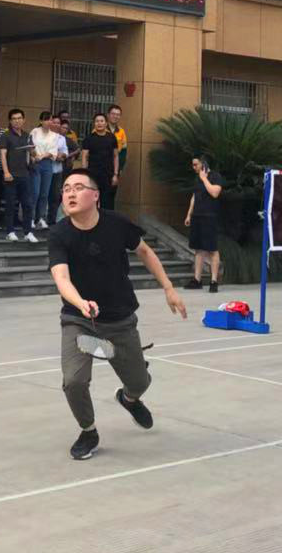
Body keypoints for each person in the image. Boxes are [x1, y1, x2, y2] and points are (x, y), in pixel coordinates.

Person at [48, 171, 187, 461]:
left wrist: (168, 288)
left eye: (78, 187)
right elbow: (61, 278)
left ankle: (128, 397)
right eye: (66, 189)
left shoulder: (117, 223)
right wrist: (81, 303)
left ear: (95, 195)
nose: (70, 193)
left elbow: (145, 252)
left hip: (120, 319)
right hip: (79, 319)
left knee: (140, 382)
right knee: (74, 381)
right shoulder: (59, 234)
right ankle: (88, 431)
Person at [182, 157, 223, 292]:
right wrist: (189, 214)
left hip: (210, 217)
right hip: (197, 216)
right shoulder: (197, 179)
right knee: (199, 249)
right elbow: (194, 197)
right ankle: (197, 280)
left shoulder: (215, 176)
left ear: (203, 164)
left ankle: (214, 281)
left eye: (196, 164)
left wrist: (204, 179)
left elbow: (215, 193)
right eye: (192, 165)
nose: (193, 167)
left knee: (212, 249)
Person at [1, 108, 36, 242]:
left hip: (25, 174)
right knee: (10, 204)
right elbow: (3, 155)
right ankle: (10, 232)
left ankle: (28, 232)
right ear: (10, 121)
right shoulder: (6, 135)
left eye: (19, 118)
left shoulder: (27, 135)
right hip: (11, 174)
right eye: (14, 119)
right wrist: (6, 172)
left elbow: (33, 155)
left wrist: (33, 152)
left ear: (23, 120)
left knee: (27, 204)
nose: (17, 121)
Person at [78, 113, 120, 211]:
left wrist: (115, 174)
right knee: (92, 201)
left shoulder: (111, 138)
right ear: (94, 123)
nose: (99, 123)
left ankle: (106, 220)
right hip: (93, 175)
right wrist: (85, 175)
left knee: (107, 203)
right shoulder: (89, 138)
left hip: (108, 175)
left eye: (102, 121)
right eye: (97, 121)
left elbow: (115, 156)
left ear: (106, 123)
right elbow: (84, 157)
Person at [30, 110, 63, 231]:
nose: (49, 122)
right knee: (35, 192)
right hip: (35, 163)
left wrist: (42, 156)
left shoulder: (54, 135)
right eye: (46, 119)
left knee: (44, 193)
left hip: (47, 164)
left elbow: (53, 151)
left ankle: (41, 218)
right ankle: (31, 218)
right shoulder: (34, 131)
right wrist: (34, 156)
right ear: (41, 121)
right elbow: (30, 147)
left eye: (50, 120)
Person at [107, 104, 128, 181]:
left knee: (113, 187)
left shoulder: (121, 131)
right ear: (108, 115)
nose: (115, 116)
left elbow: (123, 151)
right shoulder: (100, 129)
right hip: (100, 165)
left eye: (118, 114)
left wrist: (120, 168)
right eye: (113, 114)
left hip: (115, 166)